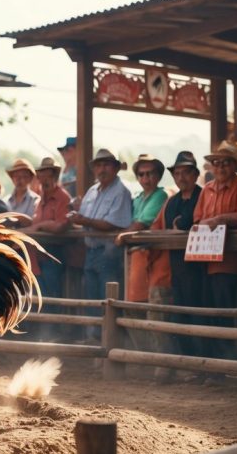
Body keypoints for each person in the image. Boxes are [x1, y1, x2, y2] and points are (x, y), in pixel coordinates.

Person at [67, 148, 132, 340]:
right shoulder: (92, 191)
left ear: (115, 168)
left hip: (109, 251)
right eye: (98, 165)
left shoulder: (121, 191)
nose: (102, 169)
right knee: (93, 298)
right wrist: (78, 216)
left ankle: (108, 340)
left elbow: (113, 223)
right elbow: (85, 218)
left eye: (106, 165)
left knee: (108, 299)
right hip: (92, 250)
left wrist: (83, 220)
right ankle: (95, 338)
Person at [149, 151, 205, 360]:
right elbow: (166, 226)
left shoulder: (203, 196)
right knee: (180, 313)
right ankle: (187, 360)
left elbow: (190, 222)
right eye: (177, 173)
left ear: (195, 174)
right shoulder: (172, 202)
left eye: (186, 172)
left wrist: (182, 225)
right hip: (175, 266)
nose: (181, 177)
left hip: (200, 266)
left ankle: (202, 361)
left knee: (200, 312)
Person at [194, 140, 237, 359]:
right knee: (213, 312)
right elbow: (198, 218)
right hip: (207, 259)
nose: (220, 167)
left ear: (234, 164)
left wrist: (220, 219)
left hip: (231, 262)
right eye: (216, 163)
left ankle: (231, 362)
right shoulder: (207, 189)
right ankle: (219, 362)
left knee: (228, 311)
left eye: (225, 163)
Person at [121, 154, 170, 354]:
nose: (145, 178)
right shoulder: (139, 198)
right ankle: (145, 354)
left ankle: (156, 355)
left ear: (158, 176)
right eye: (141, 174)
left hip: (152, 257)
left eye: (150, 173)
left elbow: (140, 223)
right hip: (137, 257)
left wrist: (122, 235)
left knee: (150, 308)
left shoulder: (160, 195)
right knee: (134, 306)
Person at [23, 157, 71, 301]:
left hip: (53, 254)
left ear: (55, 176)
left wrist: (39, 226)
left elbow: (61, 225)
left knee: (51, 296)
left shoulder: (63, 197)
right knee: (40, 297)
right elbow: (38, 222)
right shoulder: (40, 199)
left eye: (48, 176)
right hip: (37, 256)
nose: (44, 180)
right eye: (41, 176)